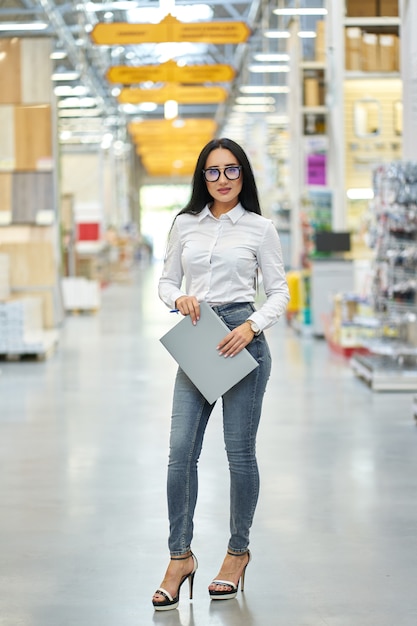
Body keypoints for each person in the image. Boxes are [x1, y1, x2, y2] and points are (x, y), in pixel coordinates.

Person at [153, 137, 289, 611]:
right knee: (179, 453)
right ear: (202, 177)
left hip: (241, 338)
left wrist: (253, 326)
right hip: (198, 333)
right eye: (213, 171)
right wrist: (178, 299)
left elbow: (279, 292)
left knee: (238, 454)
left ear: (243, 175)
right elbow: (166, 282)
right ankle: (179, 557)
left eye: (232, 170)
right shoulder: (184, 225)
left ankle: (236, 552)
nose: (223, 179)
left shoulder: (260, 228)